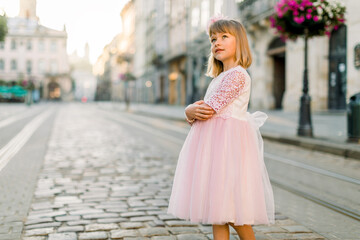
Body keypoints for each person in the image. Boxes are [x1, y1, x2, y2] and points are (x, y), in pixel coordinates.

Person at [167, 15, 275, 240]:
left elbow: (208, 109)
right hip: (217, 147)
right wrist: (193, 111)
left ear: (240, 42)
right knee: (218, 212)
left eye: (224, 37)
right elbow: (205, 110)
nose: (217, 42)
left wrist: (190, 110)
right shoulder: (221, 77)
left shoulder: (237, 75)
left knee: (234, 213)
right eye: (213, 39)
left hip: (227, 149)